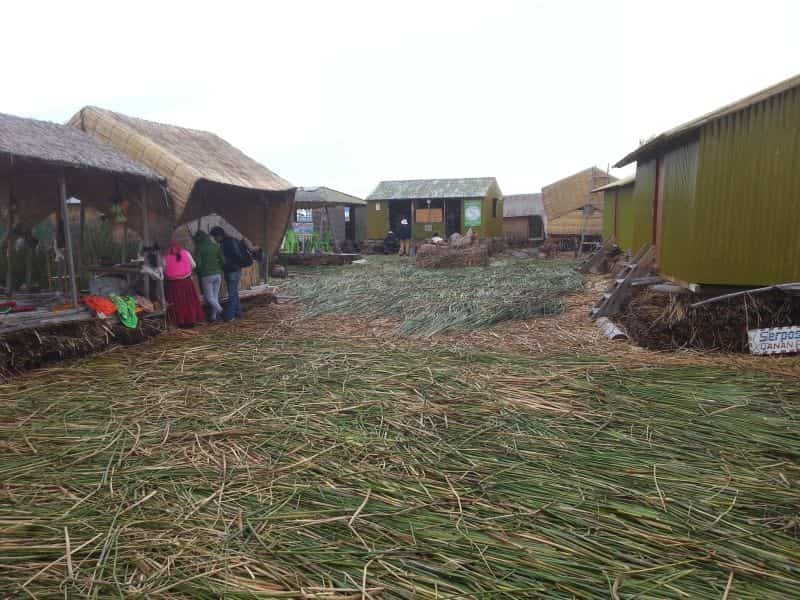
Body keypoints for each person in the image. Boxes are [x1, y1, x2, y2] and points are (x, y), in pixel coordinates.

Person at [164, 240, 204, 326]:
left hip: (173, 285)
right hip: (186, 282)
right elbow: (194, 265)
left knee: (178, 303)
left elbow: (164, 269)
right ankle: (191, 320)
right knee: (189, 302)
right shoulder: (186, 253)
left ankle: (180, 321)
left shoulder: (166, 257)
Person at [210, 226, 245, 321]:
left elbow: (232, 257)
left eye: (215, 237)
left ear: (219, 235)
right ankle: (238, 312)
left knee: (232, 294)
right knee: (234, 292)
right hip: (235, 269)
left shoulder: (227, 243)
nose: (215, 239)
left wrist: (225, 263)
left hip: (232, 270)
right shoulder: (231, 240)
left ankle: (230, 316)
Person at [193, 230, 225, 321]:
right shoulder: (215, 246)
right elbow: (223, 261)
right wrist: (218, 268)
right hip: (218, 274)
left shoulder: (199, 248)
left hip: (206, 275)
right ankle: (213, 317)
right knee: (215, 297)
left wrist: (198, 271)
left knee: (209, 297)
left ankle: (222, 311)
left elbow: (198, 264)